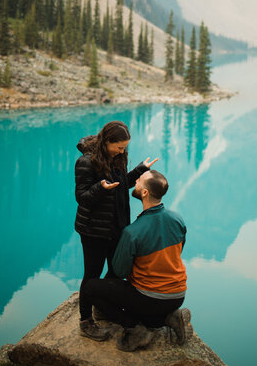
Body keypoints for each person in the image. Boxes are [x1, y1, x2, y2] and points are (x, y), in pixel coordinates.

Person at [79, 169, 193, 352]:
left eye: (139, 181)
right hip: (178, 295)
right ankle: (169, 317)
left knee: (90, 288)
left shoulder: (133, 232)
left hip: (149, 298)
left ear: (145, 193)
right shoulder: (177, 219)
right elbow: (180, 250)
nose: (136, 181)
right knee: (145, 305)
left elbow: (120, 271)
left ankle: (135, 329)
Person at [75, 120, 158, 339]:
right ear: (107, 141)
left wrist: (139, 171)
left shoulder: (118, 158)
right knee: (91, 276)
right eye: (119, 146)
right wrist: (99, 189)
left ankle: (101, 307)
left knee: (116, 271)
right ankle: (85, 322)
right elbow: (82, 198)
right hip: (93, 231)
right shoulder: (86, 162)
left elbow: (121, 184)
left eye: (125, 147)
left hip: (117, 227)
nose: (122, 151)